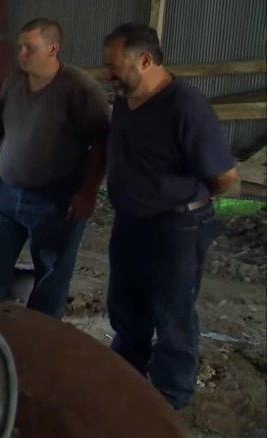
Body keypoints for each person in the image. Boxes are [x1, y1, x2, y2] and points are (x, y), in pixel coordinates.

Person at [102, 23, 240, 410]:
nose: (107, 73)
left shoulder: (186, 107)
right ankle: (127, 377)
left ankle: (169, 400)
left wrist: (180, 203)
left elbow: (226, 180)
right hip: (130, 222)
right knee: (127, 307)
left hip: (176, 227)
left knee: (173, 313)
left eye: (114, 65)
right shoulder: (125, 99)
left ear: (145, 60)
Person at [0, 18, 110, 318]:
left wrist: (88, 193)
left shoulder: (80, 88)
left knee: (51, 276)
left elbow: (100, 145)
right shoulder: (13, 83)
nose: (21, 53)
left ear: (52, 49)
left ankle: (40, 342)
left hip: (56, 200)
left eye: (29, 48)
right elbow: (1, 132)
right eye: (19, 47)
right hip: (8, 197)